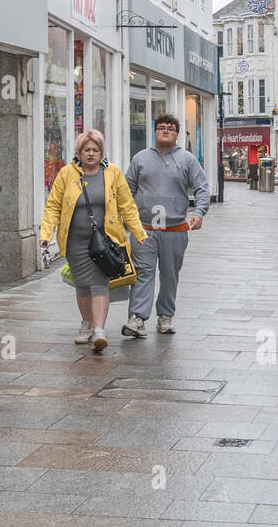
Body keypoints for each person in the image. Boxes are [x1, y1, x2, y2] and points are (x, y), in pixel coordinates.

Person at [40, 130, 147, 353]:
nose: (91, 154)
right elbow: (53, 206)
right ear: (79, 152)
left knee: (99, 284)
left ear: (101, 152)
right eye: (86, 150)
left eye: (95, 150)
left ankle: (99, 330)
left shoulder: (113, 173)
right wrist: (45, 235)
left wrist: (138, 232)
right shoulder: (66, 174)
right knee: (82, 286)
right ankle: (86, 324)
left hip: (104, 242)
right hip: (74, 243)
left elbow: (127, 205)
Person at [121, 114, 210, 337]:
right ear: (155, 131)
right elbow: (126, 190)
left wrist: (199, 213)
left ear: (177, 133)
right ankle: (137, 319)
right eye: (161, 127)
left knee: (170, 275)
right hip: (145, 229)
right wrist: (126, 219)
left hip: (175, 228)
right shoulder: (140, 158)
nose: (166, 131)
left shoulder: (187, 160)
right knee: (143, 273)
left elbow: (202, 188)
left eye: (170, 128)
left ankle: (165, 316)